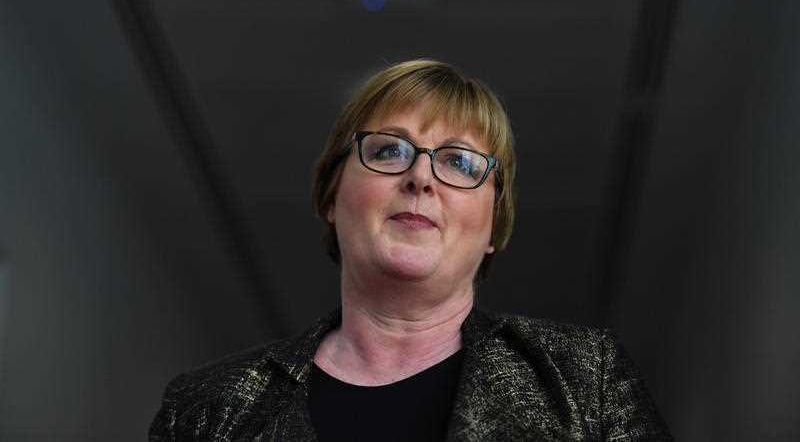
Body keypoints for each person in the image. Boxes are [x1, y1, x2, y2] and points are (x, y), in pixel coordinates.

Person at [149, 59, 672, 441]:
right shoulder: (207, 412)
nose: (421, 176)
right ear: (333, 195)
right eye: (388, 150)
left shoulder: (584, 382)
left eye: (461, 163)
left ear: (494, 226)